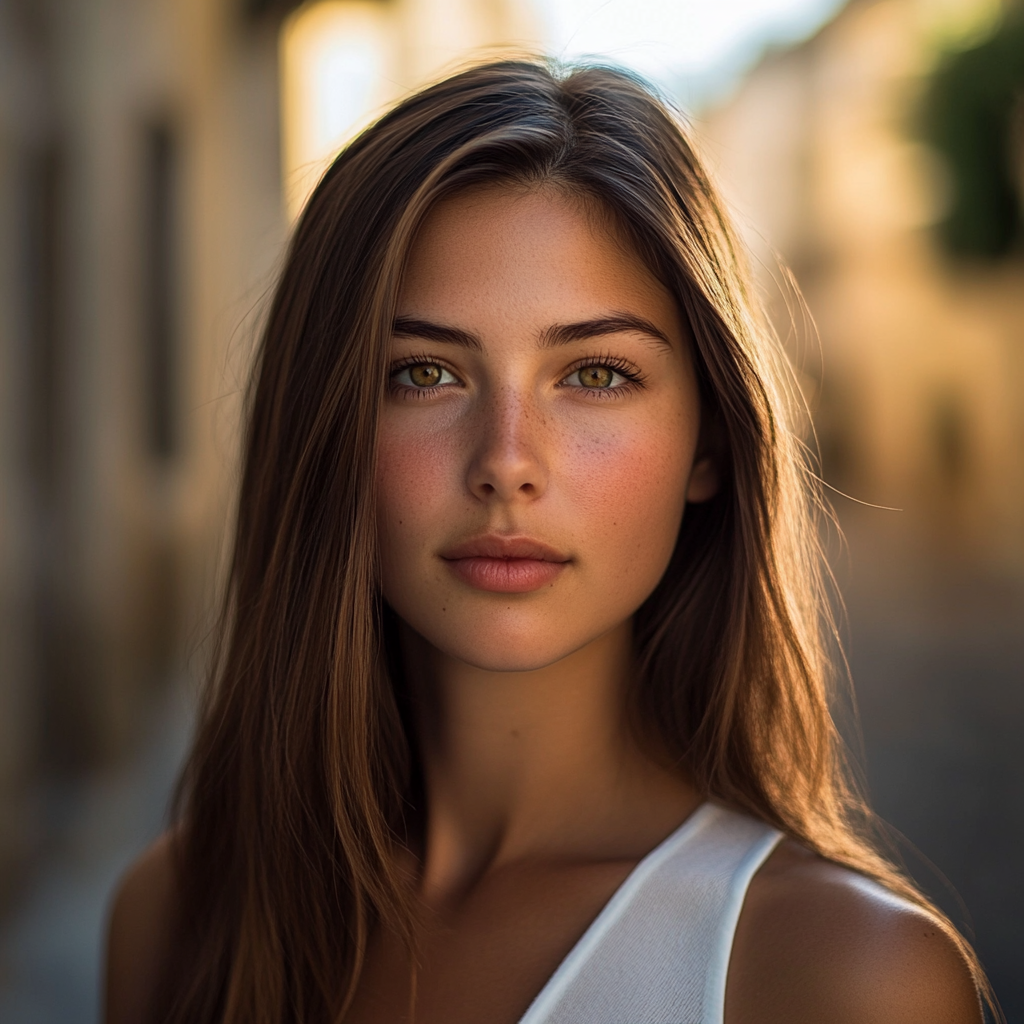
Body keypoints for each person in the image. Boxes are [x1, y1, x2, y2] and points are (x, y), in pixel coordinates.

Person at [104, 60, 993, 1024]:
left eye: (598, 375)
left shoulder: (845, 979)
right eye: (423, 374)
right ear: (324, 430)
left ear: (710, 443)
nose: (507, 462)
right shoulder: (176, 916)